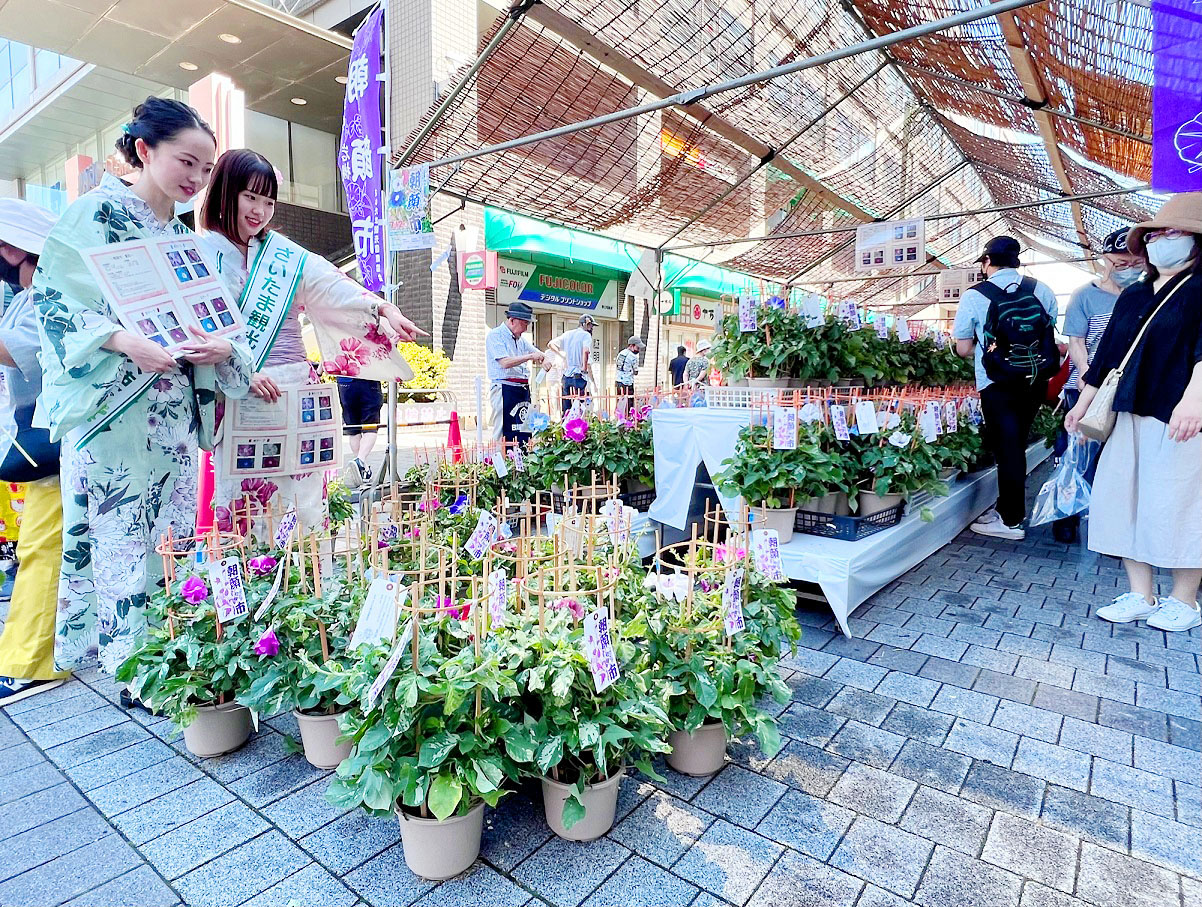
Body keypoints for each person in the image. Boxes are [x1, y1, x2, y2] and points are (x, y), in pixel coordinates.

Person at [33, 98, 253, 675]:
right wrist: (126, 342)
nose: (197, 179)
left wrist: (223, 348)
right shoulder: (94, 213)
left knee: (171, 537)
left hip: (171, 412)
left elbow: (223, 321)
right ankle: (130, 668)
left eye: (206, 171)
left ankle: (167, 655)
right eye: (187, 162)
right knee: (121, 537)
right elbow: (55, 302)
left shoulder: (182, 236)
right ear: (145, 150)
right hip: (114, 413)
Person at [198, 149, 422, 535]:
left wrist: (383, 310)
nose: (260, 210)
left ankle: (312, 589)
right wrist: (239, 370)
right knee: (245, 510)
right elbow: (193, 332)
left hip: (294, 392)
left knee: (305, 507)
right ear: (226, 191)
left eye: (268, 200)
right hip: (238, 395)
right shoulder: (199, 255)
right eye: (250, 196)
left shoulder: (285, 256)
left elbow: (335, 288)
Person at [1065, 194, 1202, 632]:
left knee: (1180, 502)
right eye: (1155, 233)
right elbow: (1105, 359)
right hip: (1127, 412)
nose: (1162, 240)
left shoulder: (1200, 288)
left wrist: (1194, 400)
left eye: (1173, 232)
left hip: (1178, 413)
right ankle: (1141, 593)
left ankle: (1185, 599)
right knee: (1122, 498)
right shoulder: (1134, 294)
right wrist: (1081, 410)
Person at [0, 199, 68, 705]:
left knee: (43, 546)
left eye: (4, 244)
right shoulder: (27, 296)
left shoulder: (46, 294)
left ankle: (32, 659)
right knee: (45, 545)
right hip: (42, 437)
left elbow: (19, 352)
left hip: (57, 438)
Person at [953, 235, 1059, 540]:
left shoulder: (975, 295)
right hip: (1035, 379)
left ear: (987, 262)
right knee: (1018, 443)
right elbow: (1048, 331)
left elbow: (962, 348)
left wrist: (991, 351)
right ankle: (1009, 510)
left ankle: (1010, 519)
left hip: (997, 383)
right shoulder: (1040, 289)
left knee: (1007, 448)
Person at [1051, 227, 1144, 543]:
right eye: (1120, 263)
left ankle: (1114, 525)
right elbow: (1076, 342)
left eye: (1134, 262)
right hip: (1086, 388)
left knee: (1120, 459)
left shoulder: (1147, 296)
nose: (1127, 269)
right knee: (1076, 454)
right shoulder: (1085, 295)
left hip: (1130, 392)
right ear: (1105, 259)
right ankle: (1067, 518)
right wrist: (1091, 373)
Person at [486, 302, 544, 443]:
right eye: (524, 323)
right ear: (512, 320)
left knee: (523, 427)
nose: (526, 328)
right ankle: (500, 459)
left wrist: (545, 358)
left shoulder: (521, 340)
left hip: (521, 388)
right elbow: (505, 362)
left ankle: (521, 459)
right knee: (503, 429)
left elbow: (537, 353)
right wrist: (530, 357)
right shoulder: (496, 335)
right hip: (504, 387)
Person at [338, 377, 383, 486]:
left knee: (353, 429)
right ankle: (360, 460)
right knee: (371, 426)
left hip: (345, 383)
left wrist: (319, 372)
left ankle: (364, 470)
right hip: (368, 379)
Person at [549, 314, 595, 413]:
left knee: (567, 407)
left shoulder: (567, 334)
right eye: (591, 325)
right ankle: (578, 427)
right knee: (579, 407)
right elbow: (586, 351)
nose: (592, 328)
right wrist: (584, 367)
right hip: (579, 374)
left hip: (566, 375)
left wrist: (563, 356)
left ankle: (566, 426)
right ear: (586, 324)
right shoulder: (586, 335)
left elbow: (551, 344)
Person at [614, 335, 644, 416]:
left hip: (618, 381)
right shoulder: (633, 357)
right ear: (631, 345)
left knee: (620, 402)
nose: (638, 350)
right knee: (629, 404)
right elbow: (636, 371)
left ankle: (619, 417)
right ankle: (628, 420)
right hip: (628, 383)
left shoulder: (621, 353)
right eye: (637, 348)